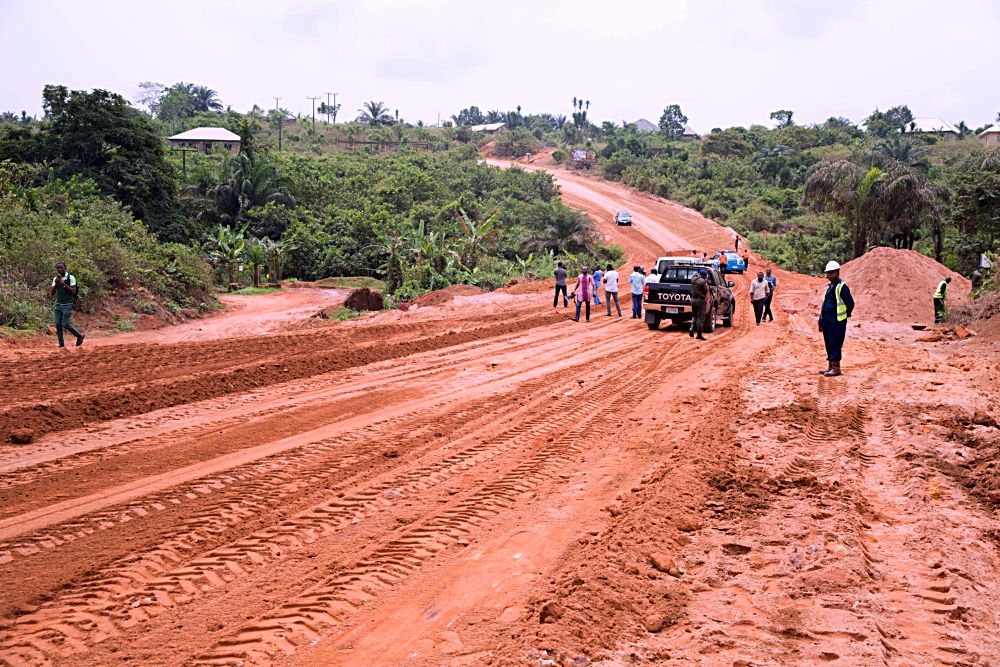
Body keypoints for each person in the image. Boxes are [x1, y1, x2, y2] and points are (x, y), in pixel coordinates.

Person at [818, 260, 855, 377]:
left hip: (837, 322)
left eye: (832, 273)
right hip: (827, 322)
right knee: (828, 343)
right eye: (828, 273)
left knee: (835, 343)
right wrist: (821, 320)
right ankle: (830, 366)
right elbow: (824, 306)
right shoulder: (829, 288)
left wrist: (846, 314)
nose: (829, 275)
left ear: (838, 272)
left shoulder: (842, 287)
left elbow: (850, 303)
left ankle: (836, 368)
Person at [50, 261, 85, 348]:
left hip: (68, 304)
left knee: (65, 324)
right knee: (58, 325)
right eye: (58, 268)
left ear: (65, 268)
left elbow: (73, 291)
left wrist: (63, 284)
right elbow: (52, 293)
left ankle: (79, 336)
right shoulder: (55, 279)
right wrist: (56, 284)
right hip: (58, 304)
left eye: (61, 267)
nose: (59, 269)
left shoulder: (71, 277)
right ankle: (61, 345)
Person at [689, 268, 709, 340]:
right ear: (704, 275)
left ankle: (691, 327)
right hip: (700, 301)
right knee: (701, 317)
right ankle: (699, 334)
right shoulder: (703, 282)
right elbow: (706, 291)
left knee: (694, 316)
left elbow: (694, 276)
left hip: (693, 300)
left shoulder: (693, 279)